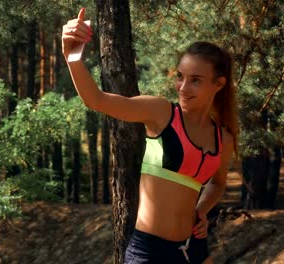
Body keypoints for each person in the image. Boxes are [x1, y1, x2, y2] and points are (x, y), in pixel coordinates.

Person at [62, 8, 238, 264]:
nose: (183, 88)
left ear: (219, 84)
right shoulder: (161, 112)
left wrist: (201, 210)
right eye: (180, 77)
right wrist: (72, 56)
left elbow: (218, 183)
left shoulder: (223, 139)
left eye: (196, 80)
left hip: (193, 248)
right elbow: (96, 99)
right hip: (149, 253)